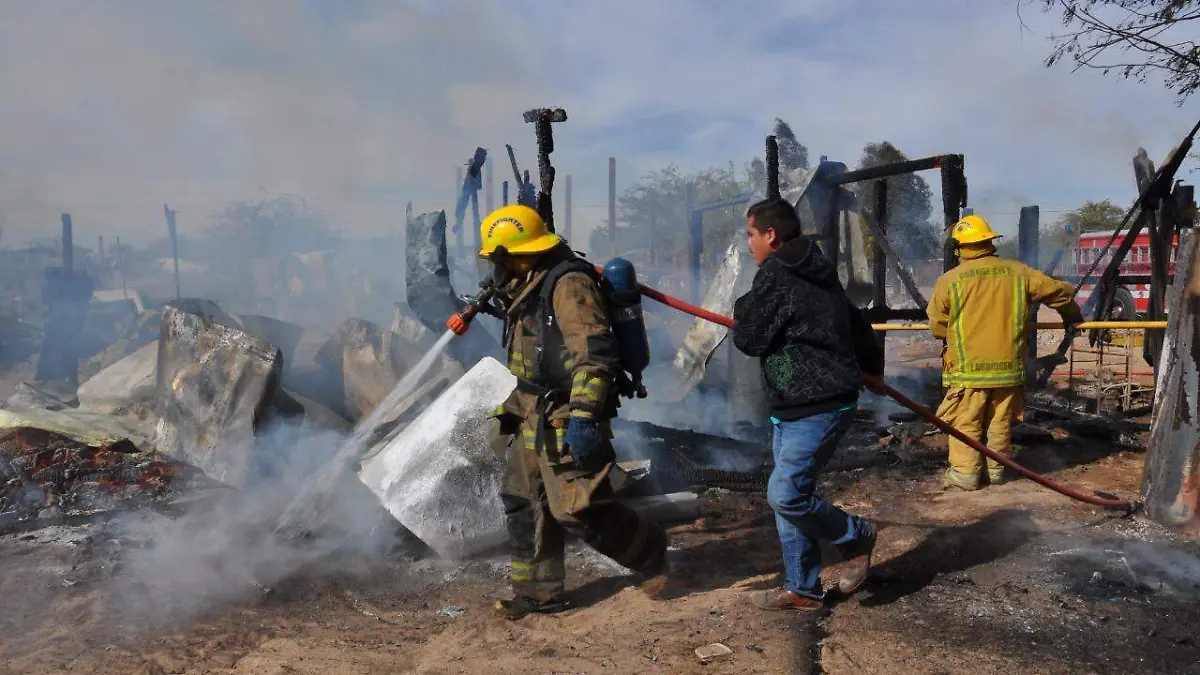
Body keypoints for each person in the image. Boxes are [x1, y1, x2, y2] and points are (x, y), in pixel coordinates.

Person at [476, 204, 669, 620]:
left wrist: (583, 416)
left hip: (566, 412)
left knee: (577, 507)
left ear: (517, 254)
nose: (495, 268)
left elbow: (596, 356)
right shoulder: (530, 282)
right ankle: (539, 594)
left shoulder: (567, 285)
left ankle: (652, 552)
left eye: (498, 258)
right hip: (532, 412)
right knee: (524, 500)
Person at [732, 197, 883, 612]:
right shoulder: (815, 266)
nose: (748, 244)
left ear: (770, 235)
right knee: (791, 496)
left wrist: (741, 307)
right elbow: (853, 318)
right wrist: (873, 365)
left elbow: (749, 338)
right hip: (797, 404)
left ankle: (857, 537)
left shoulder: (777, 272)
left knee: (785, 495)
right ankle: (803, 588)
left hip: (817, 403)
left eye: (750, 235)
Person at [928, 214, 1083, 491]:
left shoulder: (949, 280)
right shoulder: (1018, 272)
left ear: (960, 248)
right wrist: (1071, 317)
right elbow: (1061, 293)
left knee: (967, 422)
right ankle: (996, 471)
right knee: (1000, 422)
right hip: (1009, 369)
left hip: (968, 371)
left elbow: (938, 326)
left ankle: (966, 475)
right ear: (989, 242)